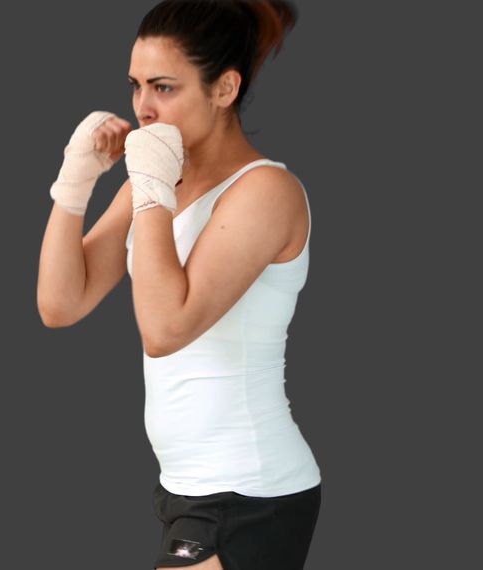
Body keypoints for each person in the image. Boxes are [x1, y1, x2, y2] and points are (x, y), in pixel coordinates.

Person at [36, 1, 320, 569]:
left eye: (164, 87)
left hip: (248, 488)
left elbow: (166, 329)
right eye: (136, 86)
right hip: (185, 487)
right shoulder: (159, 183)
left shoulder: (264, 192)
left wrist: (149, 188)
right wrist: (76, 181)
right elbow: (61, 303)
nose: (143, 107)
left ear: (224, 88)